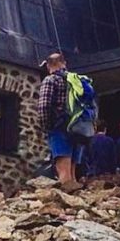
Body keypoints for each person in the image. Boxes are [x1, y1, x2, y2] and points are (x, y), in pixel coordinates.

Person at [37, 51, 81, 188]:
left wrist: (46, 126)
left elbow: (44, 106)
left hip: (60, 129)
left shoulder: (50, 80)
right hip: (79, 129)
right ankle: (79, 202)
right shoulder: (77, 81)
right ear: (64, 63)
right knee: (73, 172)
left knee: (63, 170)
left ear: (48, 66)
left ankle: (68, 205)